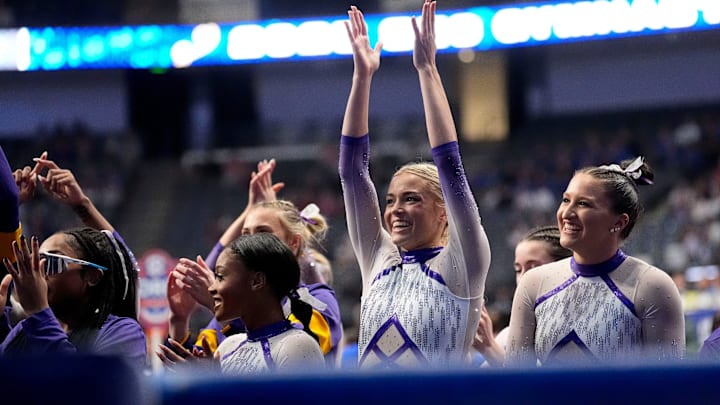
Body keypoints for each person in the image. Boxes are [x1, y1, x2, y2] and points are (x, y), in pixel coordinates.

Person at [339, 1, 491, 368]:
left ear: (444, 211)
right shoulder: (378, 258)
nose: (394, 211)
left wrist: (427, 70)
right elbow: (353, 174)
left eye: (411, 199)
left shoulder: (461, 265)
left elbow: (450, 167)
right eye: (390, 201)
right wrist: (362, 79)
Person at [506, 156, 685, 367]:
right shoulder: (534, 283)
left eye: (583, 204)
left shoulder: (651, 286)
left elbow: (668, 385)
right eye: (565, 200)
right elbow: (515, 378)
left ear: (619, 222)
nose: (567, 213)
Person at [166, 159, 343, 364]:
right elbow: (187, 366)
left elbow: (296, 349)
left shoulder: (318, 299)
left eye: (263, 232)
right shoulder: (235, 305)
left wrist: (217, 302)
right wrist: (179, 320)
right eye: (245, 234)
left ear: (293, 244)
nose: (251, 241)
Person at [0, 154, 146, 370]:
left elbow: (87, 388)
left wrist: (83, 206)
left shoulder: (122, 332)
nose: (37, 271)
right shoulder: (24, 332)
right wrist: (7, 211)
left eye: (50, 261)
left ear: (92, 276)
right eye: (36, 260)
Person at [157, 233, 325, 374]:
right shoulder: (228, 346)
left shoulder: (297, 346)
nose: (212, 288)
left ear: (257, 281)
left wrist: (216, 388)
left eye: (220, 277)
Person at [473, 226, 572, 367]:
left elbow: (545, 386)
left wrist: (490, 348)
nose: (523, 278)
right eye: (518, 270)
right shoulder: (507, 336)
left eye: (533, 268)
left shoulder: (580, 327)